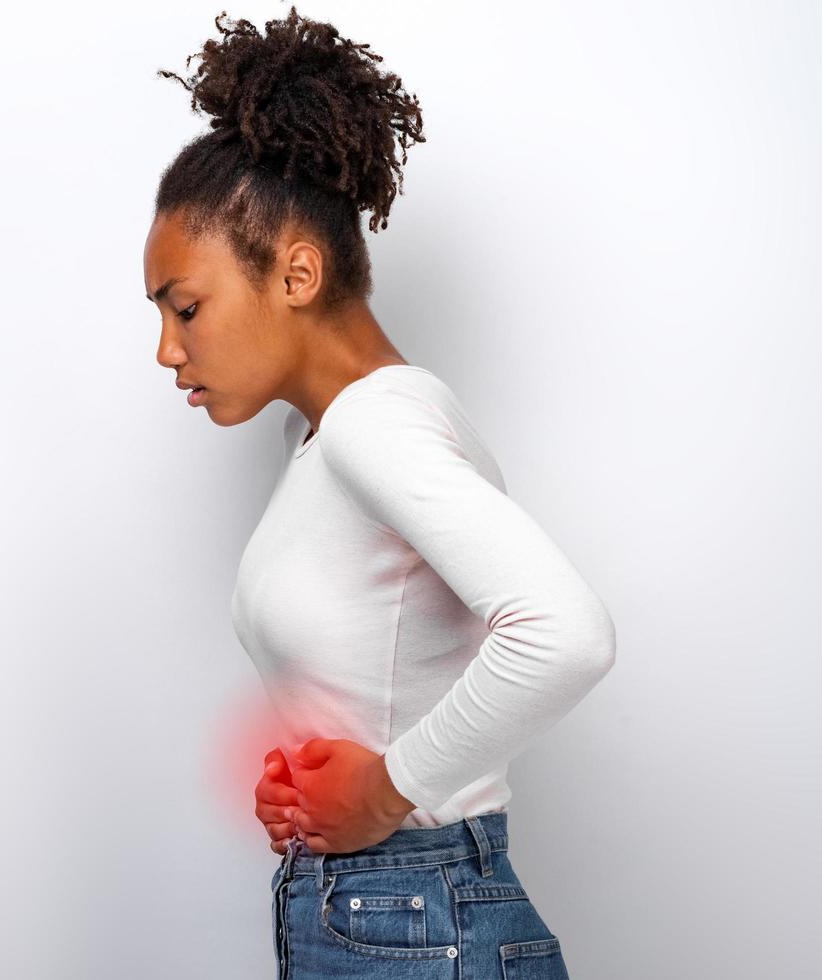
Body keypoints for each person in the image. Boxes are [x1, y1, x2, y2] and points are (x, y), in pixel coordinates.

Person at [142, 8, 615, 979]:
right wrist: (318, 787)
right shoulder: (319, 436)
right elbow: (390, 666)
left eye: (185, 306)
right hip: (382, 909)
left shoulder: (373, 423)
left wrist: (389, 788)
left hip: (414, 915)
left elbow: (565, 630)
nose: (166, 349)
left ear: (297, 272)